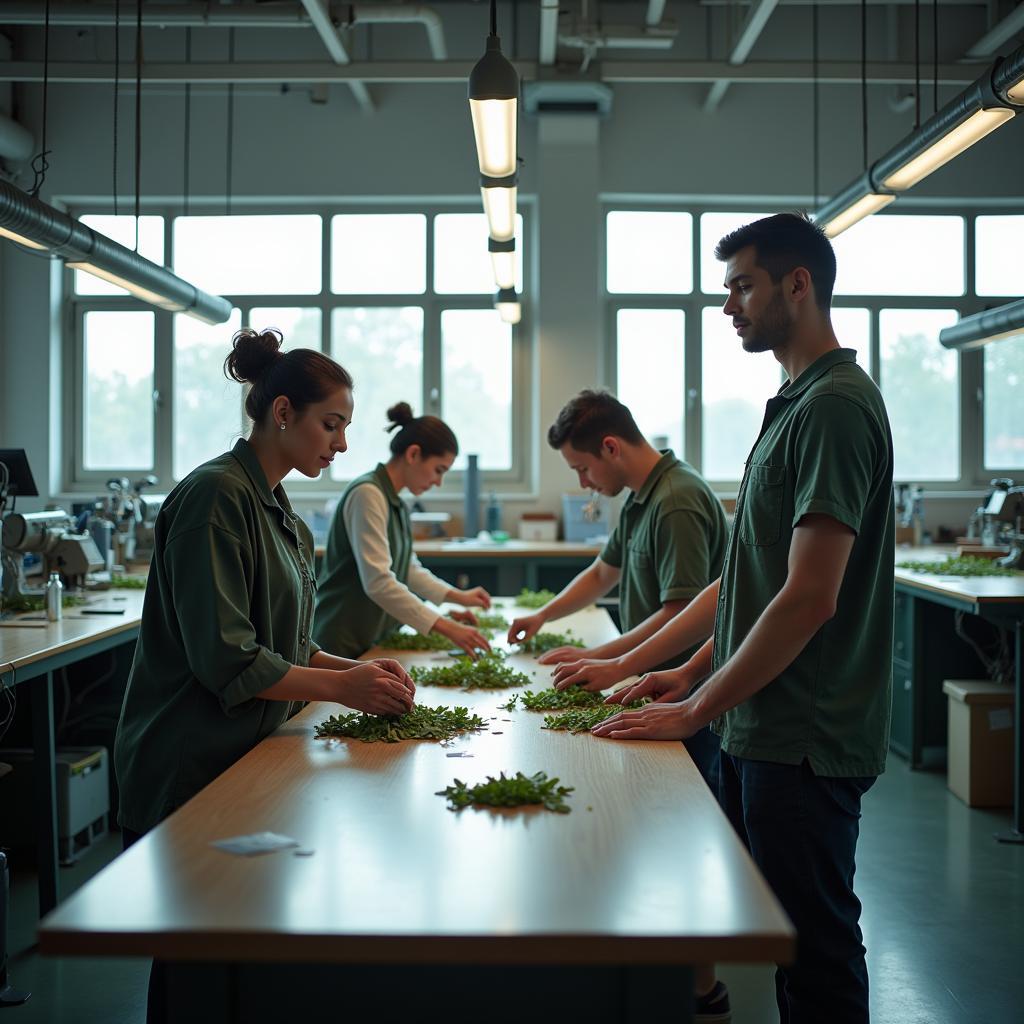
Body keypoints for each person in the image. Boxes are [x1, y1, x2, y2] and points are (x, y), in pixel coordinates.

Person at [593, 213, 895, 1024]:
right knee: (777, 931)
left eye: (741, 286)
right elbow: (749, 576)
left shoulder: (834, 408)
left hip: (802, 733)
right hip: (757, 722)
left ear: (797, 285)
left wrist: (694, 708)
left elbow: (809, 596)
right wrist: (686, 671)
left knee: (813, 950)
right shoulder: (794, 405)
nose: (728, 306)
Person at [114, 328, 416, 844]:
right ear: (282, 412)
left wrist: (357, 671)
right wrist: (344, 688)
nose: (341, 444)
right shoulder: (215, 497)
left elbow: (291, 646)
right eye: (330, 425)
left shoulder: (283, 515)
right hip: (191, 765)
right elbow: (228, 658)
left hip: (252, 752)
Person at [505, 390, 731, 1021]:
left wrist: (611, 663)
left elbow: (677, 612)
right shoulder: (641, 497)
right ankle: (664, 976)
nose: (582, 482)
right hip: (649, 688)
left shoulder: (679, 500)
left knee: (683, 839)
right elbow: (603, 575)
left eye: (582, 469)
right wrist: (543, 614)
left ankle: (701, 992)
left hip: (682, 694)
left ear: (611, 447)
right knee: (647, 836)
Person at [313, 402, 492, 660]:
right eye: (438, 470)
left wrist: (457, 597)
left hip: (371, 639)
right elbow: (379, 583)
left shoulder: (394, 500)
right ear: (413, 454)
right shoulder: (368, 494)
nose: (438, 482)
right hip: (343, 642)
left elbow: (407, 568)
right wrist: (446, 627)